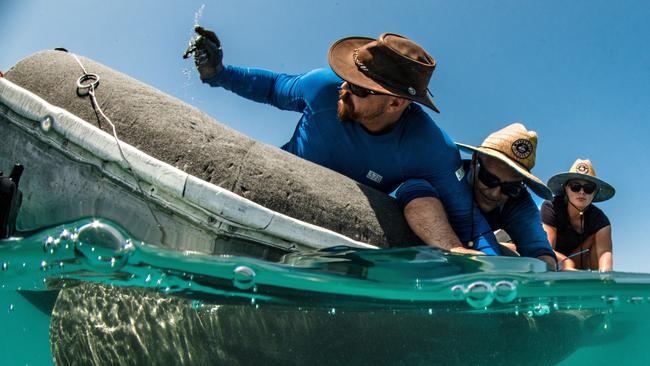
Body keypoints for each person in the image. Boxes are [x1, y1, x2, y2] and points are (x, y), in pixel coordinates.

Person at [191, 26, 501, 255]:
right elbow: (273, 88)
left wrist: (494, 270)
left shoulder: (430, 148)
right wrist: (217, 72)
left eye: (361, 88)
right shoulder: (323, 87)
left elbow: (469, 222)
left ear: (396, 104)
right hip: (266, 203)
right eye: (348, 78)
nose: (345, 89)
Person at [457, 123, 557, 270]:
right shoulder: (448, 176)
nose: (494, 193)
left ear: (521, 185)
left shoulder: (519, 201)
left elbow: (538, 250)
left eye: (510, 188)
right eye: (489, 179)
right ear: (474, 161)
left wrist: (547, 277)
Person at [541, 159, 615, 271]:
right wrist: (567, 263)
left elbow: (605, 255)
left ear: (594, 193)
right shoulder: (551, 207)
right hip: (549, 259)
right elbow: (545, 250)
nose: (582, 192)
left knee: (596, 239)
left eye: (588, 188)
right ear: (566, 188)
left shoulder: (601, 220)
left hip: (576, 266)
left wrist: (606, 279)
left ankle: (596, 285)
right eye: (575, 187)